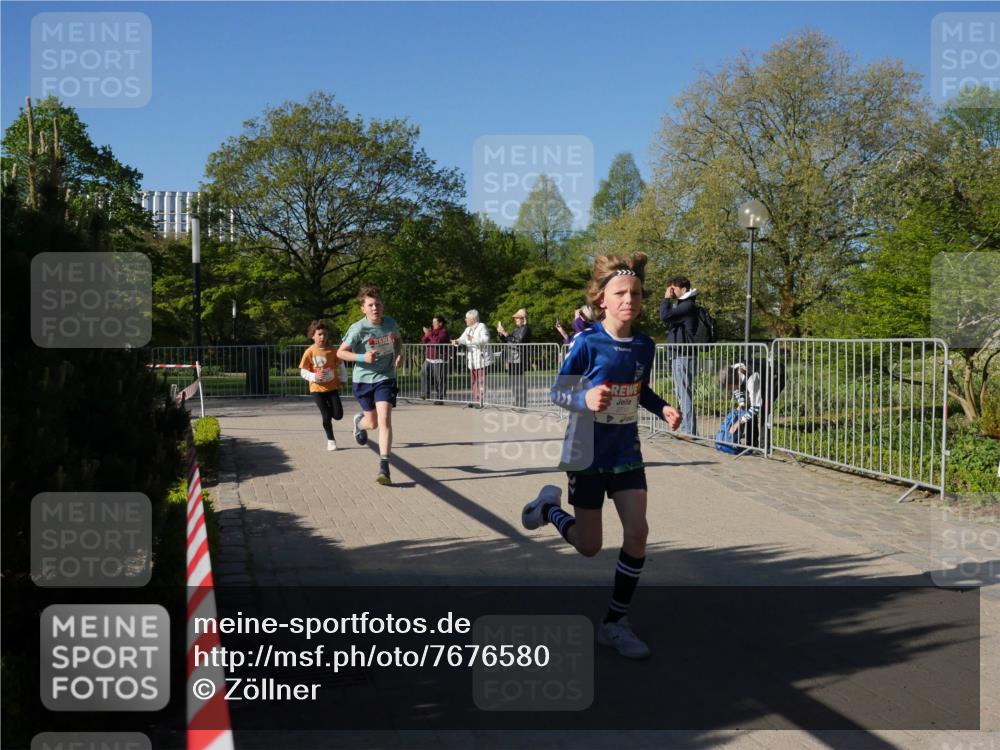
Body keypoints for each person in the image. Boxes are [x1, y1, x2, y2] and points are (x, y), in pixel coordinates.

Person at [521, 251, 682, 659]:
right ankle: (549, 510)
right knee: (590, 546)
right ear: (602, 301)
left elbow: (640, 389)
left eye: (637, 293)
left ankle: (614, 623)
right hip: (585, 451)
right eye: (621, 293)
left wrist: (662, 407)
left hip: (626, 451)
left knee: (638, 532)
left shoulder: (644, 345)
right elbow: (557, 391)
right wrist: (584, 396)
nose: (630, 299)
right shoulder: (586, 341)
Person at [337, 286, 402, 486]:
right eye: (371, 305)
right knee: (371, 423)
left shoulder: (390, 323)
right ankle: (359, 423)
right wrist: (361, 356)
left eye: (378, 304)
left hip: (385, 377)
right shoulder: (358, 329)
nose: (375, 308)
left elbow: (398, 341)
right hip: (364, 379)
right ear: (363, 308)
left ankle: (384, 466)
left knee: (384, 420)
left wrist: (399, 354)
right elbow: (340, 353)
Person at [659, 276, 699, 436]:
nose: (671, 291)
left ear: (681, 288)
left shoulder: (688, 306)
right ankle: (686, 428)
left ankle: (689, 430)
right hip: (680, 354)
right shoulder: (684, 305)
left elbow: (664, 316)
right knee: (681, 392)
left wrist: (666, 299)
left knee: (684, 392)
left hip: (685, 355)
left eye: (673, 288)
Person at [718, 358, 785, 451]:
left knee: (765, 409)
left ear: (734, 382)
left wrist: (738, 423)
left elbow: (756, 407)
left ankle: (765, 446)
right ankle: (751, 444)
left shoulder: (751, 378)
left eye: (730, 388)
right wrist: (741, 403)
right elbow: (737, 390)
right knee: (746, 407)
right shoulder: (732, 371)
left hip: (775, 375)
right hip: (761, 376)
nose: (729, 391)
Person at [299, 320, 344, 451]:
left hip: (332, 388)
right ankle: (331, 440)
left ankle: (330, 412)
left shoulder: (333, 350)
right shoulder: (309, 352)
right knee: (326, 416)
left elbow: (341, 365)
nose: (322, 337)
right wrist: (314, 377)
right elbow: (303, 371)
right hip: (316, 389)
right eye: (319, 334)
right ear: (313, 336)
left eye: (325, 334)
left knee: (338, 415)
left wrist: (343, 379)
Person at [452, 310, 491, 407]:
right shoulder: (467, 329)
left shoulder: (482, 326)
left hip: (482, 359)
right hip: (472, 359)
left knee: (481, 382)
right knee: (474, 381)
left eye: (467, 318)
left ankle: (481, 402)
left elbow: (486, 340)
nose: (465, 320)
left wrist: (472, 339)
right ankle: (475, 400)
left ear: (473, 319)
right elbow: (463, 339)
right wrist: (457, 341)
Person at [497, 308, 532, 408]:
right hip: (512, 358)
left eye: (518, 318)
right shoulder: (516, 329)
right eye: (516, 318)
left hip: (519, 358)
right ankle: (517, 401)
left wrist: (505, 333)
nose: (516, 319)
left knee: (519, 381)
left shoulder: (526, 329)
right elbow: (506, 340)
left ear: (523, 319)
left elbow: (518, 342)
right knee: (513, 380)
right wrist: (500, 333)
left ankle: (521, 403)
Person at [420, 316, 450, 404]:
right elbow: (424, 340)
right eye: (432, 322)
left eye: (434, 322)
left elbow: (437, 342)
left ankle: (440, 399)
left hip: (439, 359)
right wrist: (427, 334)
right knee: (423, 373)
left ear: (440, 323)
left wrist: (429, 334)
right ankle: (426, 394)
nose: (433, 324)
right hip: (429, 359)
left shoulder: (443, 332)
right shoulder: (432, 332)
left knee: (439, 379)